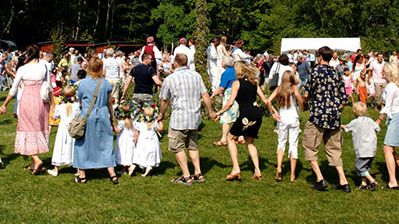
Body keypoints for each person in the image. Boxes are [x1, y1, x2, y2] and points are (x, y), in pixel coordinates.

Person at [158, 53, 217, 186]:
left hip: (179, 118)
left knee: (177, 147)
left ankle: (186, 176)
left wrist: (161, 113)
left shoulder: (170, 78)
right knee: (193, 146)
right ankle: (198, 172)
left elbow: (165, 100)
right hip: (194, 117)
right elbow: (205, 95)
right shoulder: (196, 76)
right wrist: (211, 111)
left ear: (175, 63)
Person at [216, 61, 278, 181]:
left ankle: (235, 168)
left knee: (230, 138)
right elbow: (265, 99)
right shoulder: (254, 82)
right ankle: (257, 171)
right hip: (257, 113)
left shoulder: (236, 83)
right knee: (250, 142)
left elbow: (230, 102)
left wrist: (219, 112)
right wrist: (274, 112)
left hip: (246, 114)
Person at [302, 46, 351, 192]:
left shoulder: (315, 72)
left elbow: (306, 93)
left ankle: (320, 178)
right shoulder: (336, 73)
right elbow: (344, 97)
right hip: (334, 116)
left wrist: (305, 104)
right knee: (335, 148)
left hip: (317, 115)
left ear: (319, 57)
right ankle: (343, 181)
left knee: (310, 146)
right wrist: (337, 110)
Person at [0, 44, 50, 175]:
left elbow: (14, 89)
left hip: (28, 100)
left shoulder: (23, 69)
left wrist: (5, 103)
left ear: (28, 54)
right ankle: (34, 164)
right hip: (41, 101)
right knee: (37, 128)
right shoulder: (44, 66)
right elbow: (48, 85)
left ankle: (36, 159)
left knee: (27, 128)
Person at [73, 57, 118, 184]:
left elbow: (81, 101)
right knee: (106, 142)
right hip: (103, 114)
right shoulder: (106, 83)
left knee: (82, 143)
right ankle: (112, 173)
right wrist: (112, 119)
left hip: (88, 115)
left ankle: (82, 174)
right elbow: (110, 103)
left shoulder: (83, 83)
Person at [268, 70, 303, 182]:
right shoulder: (294, 89)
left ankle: (279, 167)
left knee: (281, 143)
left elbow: (268, 101)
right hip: (294, 118)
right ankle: (292, 175)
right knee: (293, 144)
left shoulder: (279, 88)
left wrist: (274, 113)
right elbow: (300, 100)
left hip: (282, 118)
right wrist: (303, 103)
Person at [342, 102, 379, 191]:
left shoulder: (354, 122)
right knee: (366, 167)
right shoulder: (370, 120)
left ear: (354, 112)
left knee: (359, 167)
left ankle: (372, 181)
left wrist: (340, 126)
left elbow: (346, 128)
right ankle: (364, 183)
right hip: (372, 149)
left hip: (362, 149)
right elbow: (377, 129)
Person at [375, 63, 399, 190]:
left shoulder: (390, 86)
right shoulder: (396, 85)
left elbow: (388, 106)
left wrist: (378, 120)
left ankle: (392, 181)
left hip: (395, 116)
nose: (382, 72)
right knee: (392, 149)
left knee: (387, 148)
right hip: (396, 116)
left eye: (384, 71)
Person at [47, 86, 80, 177]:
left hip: (62, 129)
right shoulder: (76, 106)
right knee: (74, 146)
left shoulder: (60, 106)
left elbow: (55, 117)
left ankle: (56, 168)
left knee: (59, 146)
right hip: (73, 128)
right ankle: (77, 168)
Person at [210, 56, 239, 146]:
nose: (221, 62)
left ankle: (223, 139)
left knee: (226, 117)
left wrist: (212, 96)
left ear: (225, 63)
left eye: (222, 61)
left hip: (230, 94)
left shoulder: (227, 73)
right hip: (238, 94)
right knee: (236, 116)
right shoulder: (236, 70)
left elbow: (221, 88)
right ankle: (238, 136)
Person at [131, 105, 163, 177]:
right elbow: (160, 129)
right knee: (151, 153)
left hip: (143, 140)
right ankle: (149, 167)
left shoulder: (139, 123)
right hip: (152, 141)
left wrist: (135, 140)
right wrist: (160, 120)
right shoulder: (154, 122)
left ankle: (137, 166)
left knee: (143, 153)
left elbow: (136, 132)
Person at [114, 102, 135, 176]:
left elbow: (117, 130)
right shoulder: (132, 120)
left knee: (123, 152)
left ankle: (124, 169)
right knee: (130, 151)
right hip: (130, 139)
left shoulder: (122, 122)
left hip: (123, 140)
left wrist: (113, 125)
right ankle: (130, 166)